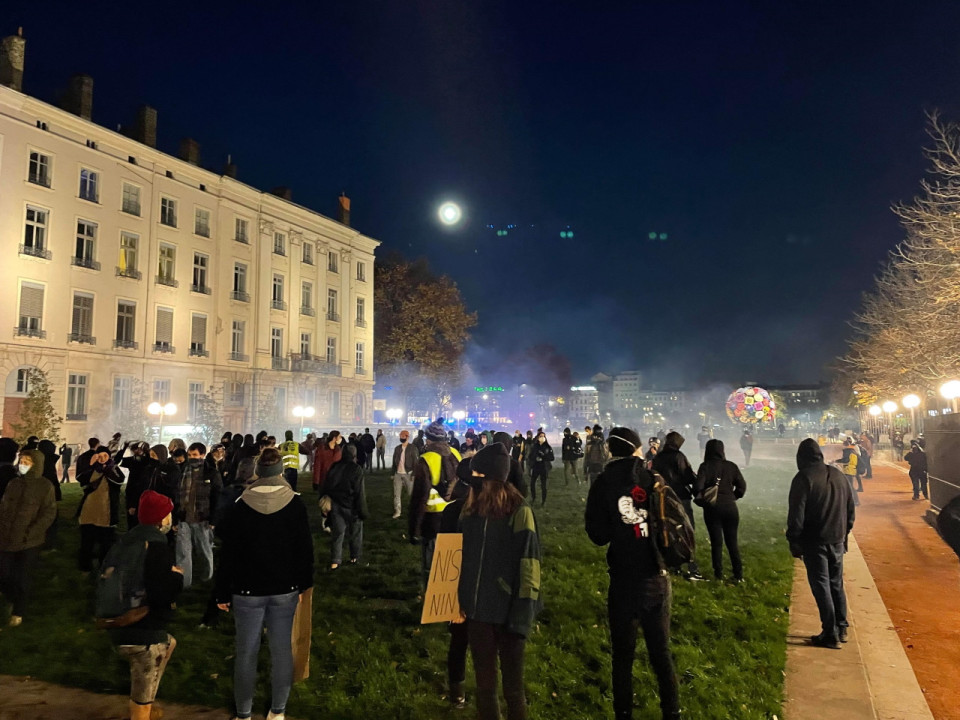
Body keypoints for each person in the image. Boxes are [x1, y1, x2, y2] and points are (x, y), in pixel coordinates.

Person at [585, 427, 681, 720]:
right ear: (637, 449)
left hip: (623, 578)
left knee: (623, 656)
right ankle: (672, 712)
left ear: (612, 451)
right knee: (661, 652)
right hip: (655, 574)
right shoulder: (653, 479)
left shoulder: (603, 483)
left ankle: (623, 713)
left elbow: (597, 535)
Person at [216, 447, 314, 720]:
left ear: (257, 473)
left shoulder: (240, 506)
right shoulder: (295, 505)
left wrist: (221, 591)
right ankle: (277, 712)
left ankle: (244, 713)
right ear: (281, 472)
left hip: (247, 589)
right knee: (282, 650)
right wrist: (305, 584)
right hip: (285, 588)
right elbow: (304, 550)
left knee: (246, 652)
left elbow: (229, 553)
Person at [459, 443, 542, 720]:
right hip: (478, 612)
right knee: (485, 685)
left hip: (509, 612)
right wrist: (461, 599)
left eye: (477, 480)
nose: (471, 486)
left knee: (513, 688)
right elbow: (464, 558)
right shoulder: (470, 512)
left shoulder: (519, 511)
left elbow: (530, 566)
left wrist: (522, 614)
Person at [107, 491, 183, 720]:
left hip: (118, 622)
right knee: (142, 693)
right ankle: (142, 710)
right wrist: (176, 577)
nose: (171, 519)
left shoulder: (126, 541)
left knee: (169, 644)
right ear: (161, 520)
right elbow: (161, 593)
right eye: (168, 515)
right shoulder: (157, 548)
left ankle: (147, 705)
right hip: (143, 633)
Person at [787, 439, 856, 649]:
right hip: (836, 538)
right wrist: (844, 533)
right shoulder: (838, 475)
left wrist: (794, 539)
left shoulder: (803, 478)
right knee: (836, 583)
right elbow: (850, 509)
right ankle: (841, 627)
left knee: (821, 585)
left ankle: (830, 632)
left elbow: (796, 514)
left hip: (814, 540)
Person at [0, 448, 56, 627]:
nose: (22, 465)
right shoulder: (13, 484)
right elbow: (3, 507)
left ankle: (18, 610)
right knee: (4, 573)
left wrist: (31, 532)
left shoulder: (45, 486)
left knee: (22, 577)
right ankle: (10, 597)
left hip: (29, 541)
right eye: (21, 460)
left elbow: (48, 512)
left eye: (27, 462)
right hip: (6, 537)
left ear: (35, 465)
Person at [409, 419, 462, 588]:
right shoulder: (455, 454)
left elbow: (419, 498)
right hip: (456, 519)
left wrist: (414, 529)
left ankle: (432, 602)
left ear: (429, 439)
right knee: (451, 564)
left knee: (430, 565)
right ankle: (449, 601)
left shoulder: (425, 459)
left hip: (433, 521)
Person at [651, 431, 703, 581]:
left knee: (669, 530)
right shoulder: (678, 456)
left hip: (664, 497)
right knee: (686, 530)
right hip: (681, 497)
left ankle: (674, 564)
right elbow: (687, 476)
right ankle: (692, 566)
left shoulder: (659, 457)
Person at [694, 439, 747, 582]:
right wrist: (732, 497)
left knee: (716, 542)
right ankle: (738, 574)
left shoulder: (705, 466)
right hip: (730, 507)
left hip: (712, 508)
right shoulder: (731, 466)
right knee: (732, 542)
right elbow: (742, 487)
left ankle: (718, 574)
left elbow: (697, 488)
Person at [174, 443, 222, 589]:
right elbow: (176, 496)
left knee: (205, 550)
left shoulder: (211, 473)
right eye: (189, 455)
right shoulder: (182, 472)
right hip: (184, 518)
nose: (191, 458)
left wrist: (213, 519)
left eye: (194, 455)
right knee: (183, 552)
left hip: (203, 519)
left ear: (202, 455)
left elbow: (217, 498)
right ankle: (184, 581)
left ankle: (207, 577)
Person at [77, 447, 125, 572]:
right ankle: (85, 567)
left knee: (106, 544)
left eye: (105, 455)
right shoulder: (92, 468)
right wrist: (91, 465)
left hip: (106, 514)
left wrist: (107, 469)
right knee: (87, 542)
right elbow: (81, 478)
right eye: (100, 455)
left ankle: (104, 567)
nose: (102, 458)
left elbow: (119, 480)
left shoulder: (113, 468)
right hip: (89, 511)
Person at [324, 444, 369, 569]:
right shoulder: (356, 469)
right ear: (354, 454)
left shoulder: (335, 466)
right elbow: (360, 492)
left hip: (337, 505)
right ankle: (355, 558)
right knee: (355, 533)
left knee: (337, 534)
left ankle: (335, 562)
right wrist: (363, 511)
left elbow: (327, 485)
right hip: (352, 506)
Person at [122, 441, 156, 529]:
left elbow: (139, 485)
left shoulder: (145, 462)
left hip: (138, 495)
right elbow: (117, 460)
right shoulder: (133, 460)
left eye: (138, 450)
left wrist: (132, 504)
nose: (135, 453)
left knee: (136, 524)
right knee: (133, 523)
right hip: (133, 494)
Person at [391, 430, 419, 519]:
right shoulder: (397, 448)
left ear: (407, 437)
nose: (401, 438)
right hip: (398, 474)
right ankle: (397, 511)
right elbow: (394, 461)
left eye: (403, 437)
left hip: (409, 474)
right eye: (401, 437)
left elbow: (415, 462)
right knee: (396, 494)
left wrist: (414, 474)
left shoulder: (412, 448)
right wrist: (393, 473)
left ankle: (413, 512)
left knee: (411, 494)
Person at [529, 431, 554, 507]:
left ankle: (543, 501)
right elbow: (530, 456)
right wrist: (535, 457)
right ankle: (533, 498)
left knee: (544, 485)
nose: (542, 438)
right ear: (538, 437)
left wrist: (543, 456)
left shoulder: (548, 447)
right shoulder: (535, 446)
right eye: (540, 436)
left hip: (544, 467)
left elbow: (552, 458)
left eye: (543, 436)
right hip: (536, 466)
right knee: (532, 483)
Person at [835, 439, 860, 507]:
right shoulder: (852, 451)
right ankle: (853, 500)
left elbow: (846, 460)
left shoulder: (847, 451)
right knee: (849, 485)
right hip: (852, 470)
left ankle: (855, 500)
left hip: (848, 470)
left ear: (845, 445)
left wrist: (836, 461)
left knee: (850, 486)